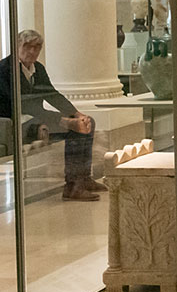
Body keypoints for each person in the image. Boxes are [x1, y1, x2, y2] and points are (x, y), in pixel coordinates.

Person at [0, 29, 101, 201]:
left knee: (87, 122)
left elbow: (51, 94)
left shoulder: (37, 68)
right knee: (73, 129)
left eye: (36, 47)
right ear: (17, 46)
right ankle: (73, 186)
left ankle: (82, 179)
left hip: (36, 118)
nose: (32, 51)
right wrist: (65, 122)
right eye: (27, 46)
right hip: (14, 121)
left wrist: (76, 114)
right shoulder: (5, 69)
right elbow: (23, 104)